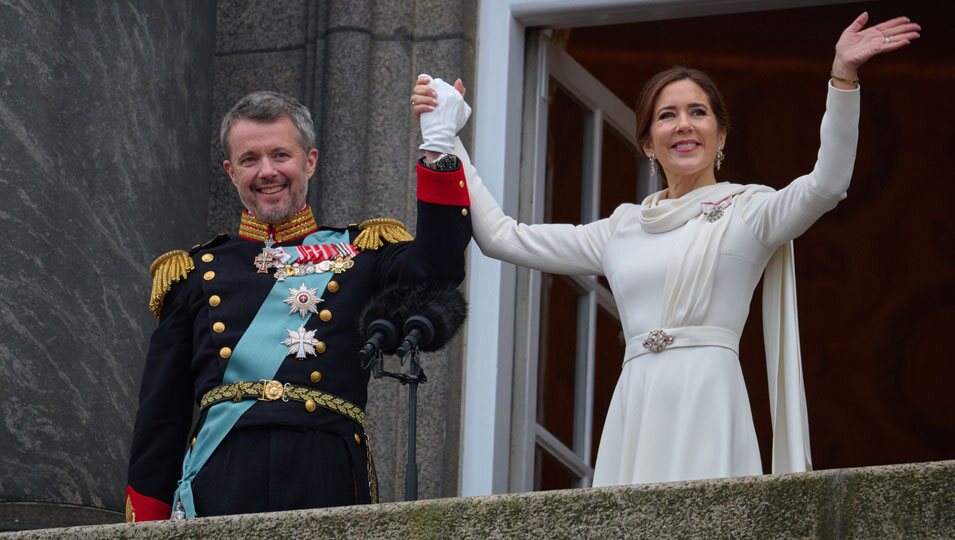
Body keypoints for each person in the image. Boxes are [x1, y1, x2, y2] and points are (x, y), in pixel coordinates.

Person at [411, 13, 919, 486]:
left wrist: (843, 79)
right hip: (637, 403)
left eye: (698, 113)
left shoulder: (751, 210)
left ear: (720, 134)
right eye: (667, 116)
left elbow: (826, 186)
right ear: (648, 143)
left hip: (709, 397)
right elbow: (503, 236)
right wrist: (446, 139)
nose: (683, 124)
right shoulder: (621, 228)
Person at [125, 90, 472, 520]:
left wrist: (438, 147)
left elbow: (438, 268)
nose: (267, 171)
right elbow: (160, 421)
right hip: (221, 478)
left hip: (326, 472)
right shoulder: (192, 273)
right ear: (230, 172)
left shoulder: (362, 251)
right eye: (250, 159)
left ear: (309, 161)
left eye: (280, 155)